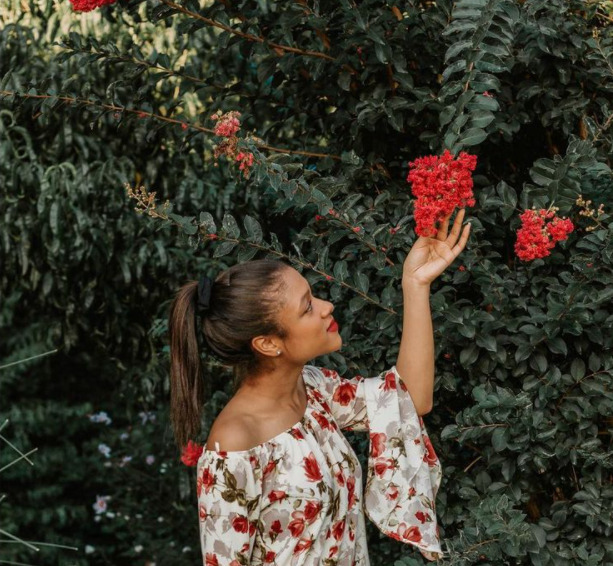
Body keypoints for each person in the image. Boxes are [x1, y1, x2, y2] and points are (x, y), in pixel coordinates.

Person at [168, 209, 471, 565]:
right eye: (307, 307)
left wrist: (415, 285)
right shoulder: (235, 444)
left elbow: (410, 399)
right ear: (268, 343)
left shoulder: (314, 390)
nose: (327, 307)